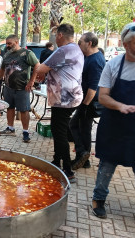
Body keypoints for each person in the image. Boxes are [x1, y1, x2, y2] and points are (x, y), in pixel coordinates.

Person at [90, 22, 135, 231]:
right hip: (113, 123)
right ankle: (98, 199)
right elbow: (102, 97)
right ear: (126, 44)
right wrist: (120, 106)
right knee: (107, 164)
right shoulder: (113, 65)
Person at [35, 24, 84, 182]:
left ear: (61, 35)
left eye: (56, 35)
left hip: (64, 99)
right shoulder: (76, 49)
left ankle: (68, 170)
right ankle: (57, 162)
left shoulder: (64, 50)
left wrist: (33, 61)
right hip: (69, 97)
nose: (55, 38)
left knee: (60, 133)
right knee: (58, 131)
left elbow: (41, 68)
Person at [0, 34, 40, 142]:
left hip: (23, 88)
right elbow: (2, 69)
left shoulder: (27, 53)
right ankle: (10, 128)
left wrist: (32, 81)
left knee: (24, 110)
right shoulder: (6, 55)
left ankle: (25, 131)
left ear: (16, 42)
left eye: (10, 43)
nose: (7, 46)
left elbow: (37, 65)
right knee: (9, 108)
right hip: (8, 87)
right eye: (6, 43)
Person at [69, 32, 106, 170]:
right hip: (85, 100)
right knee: (84, 129)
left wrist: (84, 105)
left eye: (81, 42)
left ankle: (82, 154)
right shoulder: (89, 57)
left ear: (89, 43)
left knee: (74, 125)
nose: (79, 44)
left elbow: (93, 87)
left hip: (89, 102)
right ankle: (84, 160)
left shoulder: (96, 60)